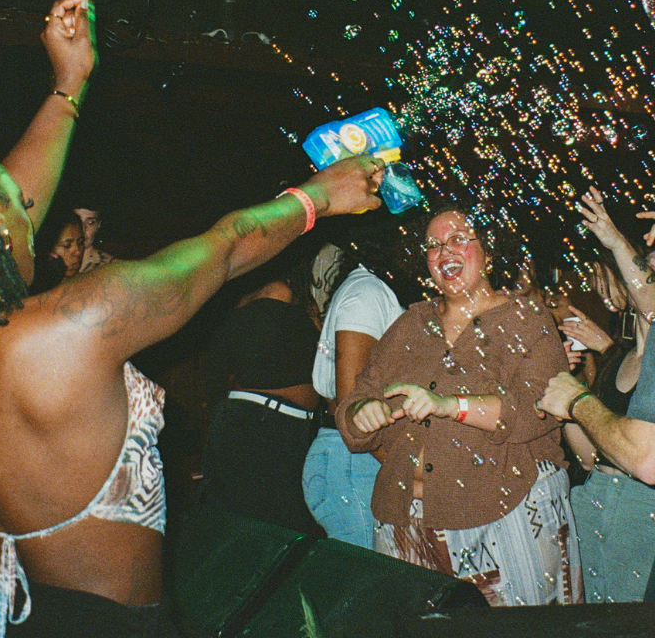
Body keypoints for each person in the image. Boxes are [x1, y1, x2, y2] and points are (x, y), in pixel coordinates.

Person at [0, 0, 386, 638]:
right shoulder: (76, 321)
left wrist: (68, 86)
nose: (28, 209)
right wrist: (320, 195)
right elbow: (226, 248)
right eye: (9, 202)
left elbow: (6, 205)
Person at [337, 203, 583, 607]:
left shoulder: (528, 318)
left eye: (457, 240)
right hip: (404, 522)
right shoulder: (409, 326)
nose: (443, 252)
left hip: (505, 510)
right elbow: (356, 400)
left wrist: (449, 404)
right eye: (433, 246)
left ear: (487, 251)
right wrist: (361, 414)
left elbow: (536, 407)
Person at [539, 186, 655, 602]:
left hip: (640, 508)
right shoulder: (620, 358)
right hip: (596, 500)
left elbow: (646, 461)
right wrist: (567, 400)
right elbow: (590, 455)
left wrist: (577, 401)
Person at [200, 238, 323, 533]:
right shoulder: (277, 294)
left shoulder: (256, 296)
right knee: (269, 532)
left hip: (265, 423)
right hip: (264, 425)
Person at [302, 216, 411, 548]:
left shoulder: (373, 288)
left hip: (358, 460)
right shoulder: (366, 293)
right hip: (354, 462)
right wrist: (406, 471)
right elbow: (351, 409)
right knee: (372, 590)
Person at [73, 208, 115, 273]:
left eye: (90, 223)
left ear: (98, 224)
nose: (83, 229)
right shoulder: (56, 261)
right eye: (78, 222)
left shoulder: (110, 266)